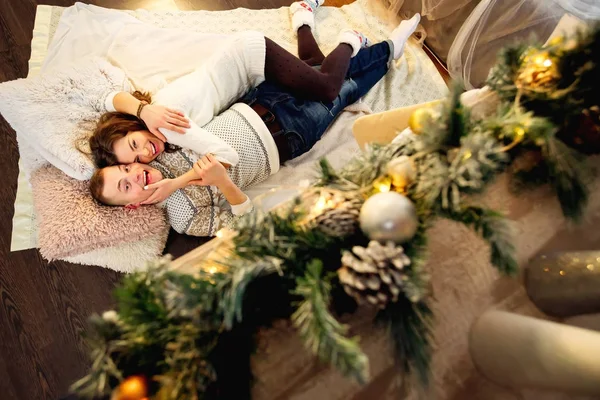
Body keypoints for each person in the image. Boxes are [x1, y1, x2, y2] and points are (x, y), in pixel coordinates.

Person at [90, 14, 422, 237]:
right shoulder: (183, 218)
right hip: (288, 136)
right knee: (347, 89)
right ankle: (387, 48)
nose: (134, 173)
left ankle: (356, 41)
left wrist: (143, 111)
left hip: (255, 102)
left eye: (125, 169)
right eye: (126, 186)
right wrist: (220, 183)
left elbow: (110, 98)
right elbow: (243, 220)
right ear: (132, 205)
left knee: (321, 76)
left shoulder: (154, 145)